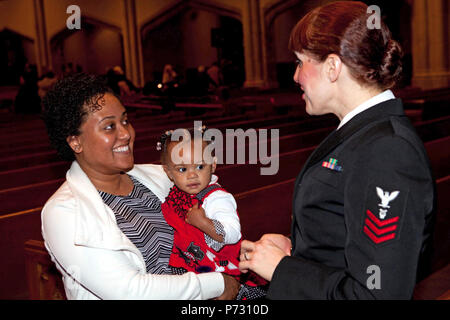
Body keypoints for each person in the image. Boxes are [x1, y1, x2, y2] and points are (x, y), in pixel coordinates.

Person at [239, 1, 436, 300]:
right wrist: (299, 250)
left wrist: (283, 270)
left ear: (332, 67)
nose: (295, 76)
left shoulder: (388, 151)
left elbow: (377, 294)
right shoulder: (363, 133)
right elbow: (348, 238)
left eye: (300, 62)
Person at [41, 73, 240, 299]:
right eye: (109, 127)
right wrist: (216, 283)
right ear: (75, 141)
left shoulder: (162, 176)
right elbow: (128, 291)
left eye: (125, 121)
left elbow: (215, 212)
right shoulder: (63, 212)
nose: (126, 133)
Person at [158, 128, 267, 300]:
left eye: (200, 166)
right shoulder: (178, 194)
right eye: (182, 169)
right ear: (168, 172)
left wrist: (203, 222)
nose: (192, 175)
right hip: (191, 264)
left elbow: (232, 233)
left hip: (221, 270)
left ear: (213, 164)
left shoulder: (217, 198)